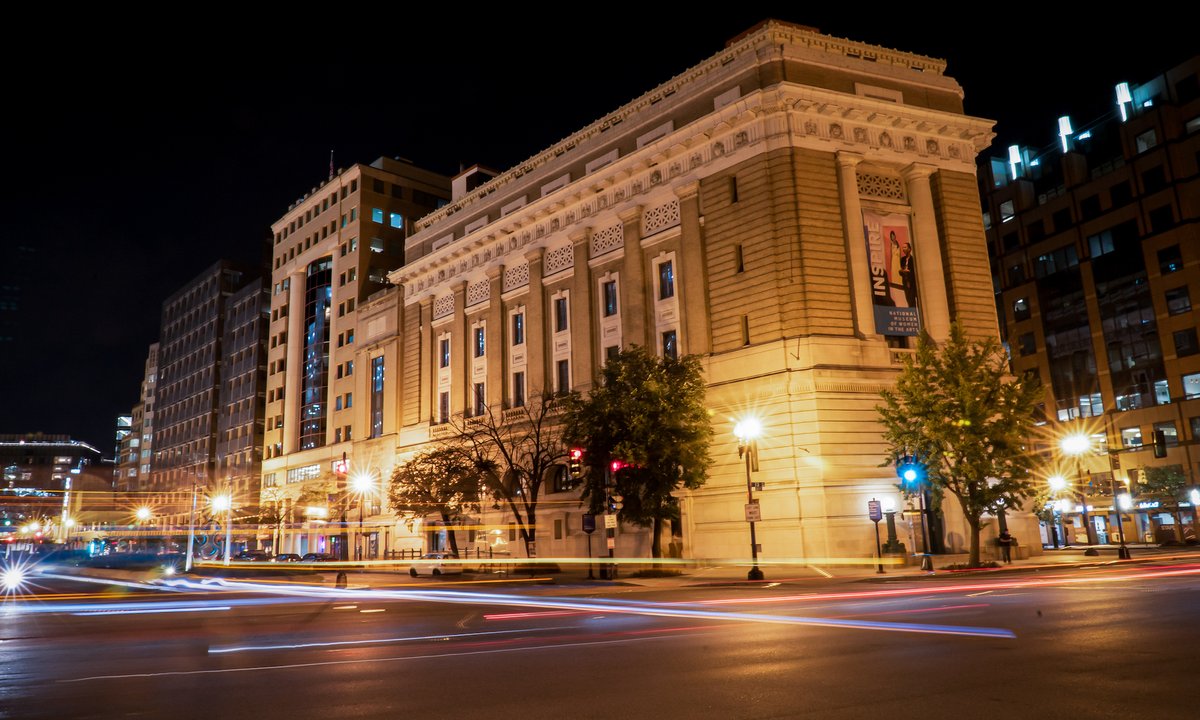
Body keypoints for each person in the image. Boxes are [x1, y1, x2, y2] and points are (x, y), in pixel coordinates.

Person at [898, 242, 917, 307]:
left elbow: (914, 271)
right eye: (903, 247)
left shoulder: (912, 259)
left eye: (905, 247)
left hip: (912, 282)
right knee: (908, 298)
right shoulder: (902, 259)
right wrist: (902, 271)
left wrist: (909, 271)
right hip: (905, 281)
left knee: (912, 299)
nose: (903, 249)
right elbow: (901, 271)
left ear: (909, 249)